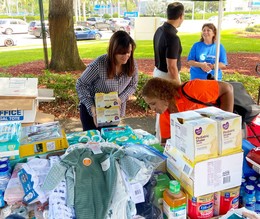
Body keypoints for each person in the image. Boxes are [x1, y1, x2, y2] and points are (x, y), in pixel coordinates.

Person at [76, 31, 138, 131]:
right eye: (122, 53)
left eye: (129, 52)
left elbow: (133, 85)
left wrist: (120, 98)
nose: (126, 56)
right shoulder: (100, 63)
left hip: (113, 112)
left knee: (110, 141)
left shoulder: (132, 64)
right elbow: (81, 84)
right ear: (113, 50)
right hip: (93, 111)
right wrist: (92, 108)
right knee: (94, 143)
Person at [141, 77, 234, 143]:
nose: (152, 109)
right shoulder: (165, 115)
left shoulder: (191, 89)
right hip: (204, 141)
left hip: (220, 135)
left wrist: (225, 123)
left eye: (153, 104)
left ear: (163, 96)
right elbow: (167, 142)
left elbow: (227, 88)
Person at [153, 2, 184, 82]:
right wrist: (178, 85)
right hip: (168, 77)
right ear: (181, 16)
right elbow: (171, 66)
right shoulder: (173, 38)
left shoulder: (159, 30)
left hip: (157, 73)